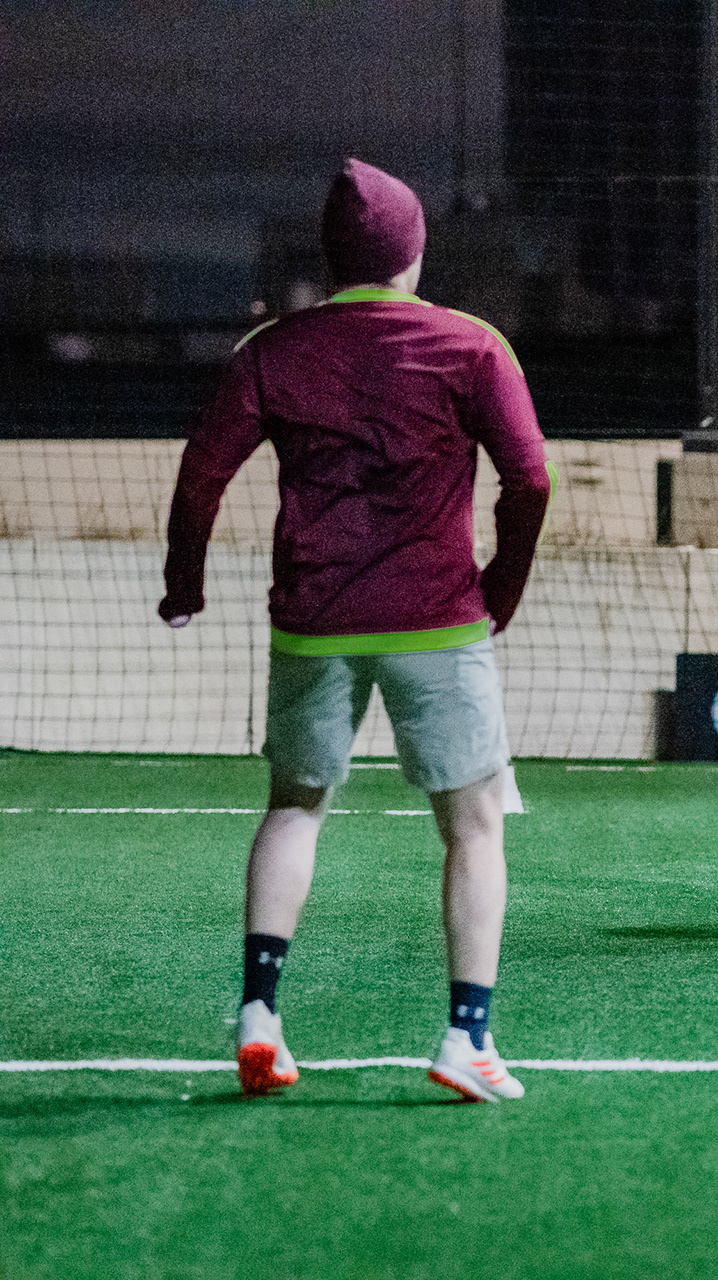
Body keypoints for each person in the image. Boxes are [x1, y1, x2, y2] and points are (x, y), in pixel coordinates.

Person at [157, 159, 552, 1102]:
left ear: (333, 258)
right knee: (474, 827)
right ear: (413, 253)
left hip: (314, 623)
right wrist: (499, 588)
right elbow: (530, 478)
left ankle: (260, 1016)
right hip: (437, 622)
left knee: (294, 807)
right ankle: (467, 1040)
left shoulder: (272, 350)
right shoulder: (473, 346)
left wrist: (184, 586)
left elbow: (202, 472)